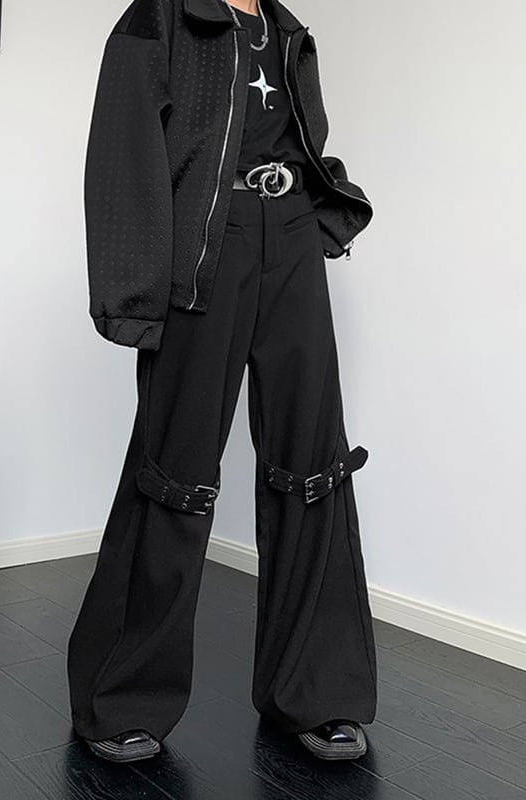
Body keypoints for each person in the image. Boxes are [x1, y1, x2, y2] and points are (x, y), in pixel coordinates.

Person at [67, 0, 378, 763]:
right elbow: (121, 151)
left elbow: (301, 135)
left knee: (313, 462)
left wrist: (319, 208)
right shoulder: (162, 18)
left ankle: (317, 690)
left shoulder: (288, 29)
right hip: (206, 245)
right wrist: (135, 293)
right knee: (174, 464)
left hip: (292, 238)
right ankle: (122, 695)